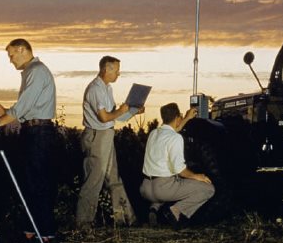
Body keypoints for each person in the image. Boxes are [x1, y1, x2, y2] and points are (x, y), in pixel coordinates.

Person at [0, 38, 57, 243]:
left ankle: (45, 235)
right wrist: (5, 112)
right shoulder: (31, 72)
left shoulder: (37, 71)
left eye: (11, 55)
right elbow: (25, 109)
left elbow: (23, 107)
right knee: (29, 182)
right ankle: (31, 232)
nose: (10, 60)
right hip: (32, 130)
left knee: (38, 182)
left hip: (39, 132)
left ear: (22, 49)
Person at [75, 55, 144, 229]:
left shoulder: (107, 88)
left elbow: (113, 116)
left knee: (114, 178)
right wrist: (121, 110)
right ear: (107, 69)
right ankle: (83, 223)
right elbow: (104, 117)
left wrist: (132, 111)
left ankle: (125, 218)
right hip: (97, 135)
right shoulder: (95, 89)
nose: (119, 74)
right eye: (117, 70)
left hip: (106, 135)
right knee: (94, 180)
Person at [140, 102, 214, 228]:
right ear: (177, 117)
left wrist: (186, 118)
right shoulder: (175, 138)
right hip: (163, 190)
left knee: (170, 174)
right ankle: (176, 211)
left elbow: (173, 130)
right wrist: (197, 176)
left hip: (146, 188)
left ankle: (154, 209)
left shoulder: (154, 133)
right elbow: (181, 170)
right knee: (208, 189)